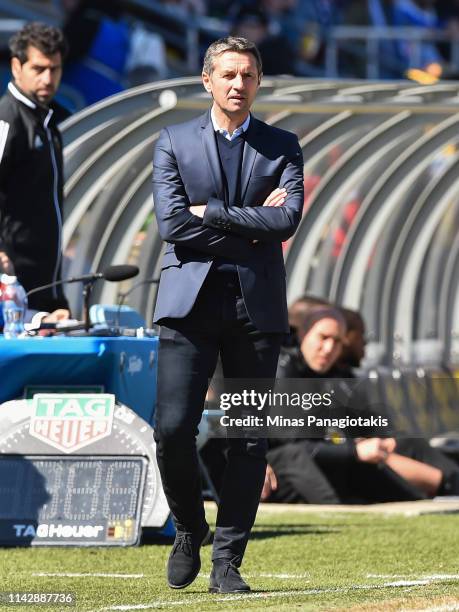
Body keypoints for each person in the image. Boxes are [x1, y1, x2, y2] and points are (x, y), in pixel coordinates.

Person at [152, 36, 304, 593]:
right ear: (207, 80)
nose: (238, 84)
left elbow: (285, 222)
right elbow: (172, 226)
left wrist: (211, 214)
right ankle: (191, 529)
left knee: (247, 437)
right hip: (187, 307)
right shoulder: (171, 141)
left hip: (254, 307)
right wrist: (248, 230)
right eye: (229, 74)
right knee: (171, 430)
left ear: (259, 82)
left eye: (248, 75)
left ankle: (227, 564)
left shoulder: (283, 145)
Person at [264, 305, 459, 504]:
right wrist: (354, 449)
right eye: (323, 338)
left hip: (332, 457)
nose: (329, 348)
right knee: (347, 461)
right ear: (303, 334)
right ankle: (337, 515)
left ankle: (446, 488)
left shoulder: (333, 376)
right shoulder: (282, 371)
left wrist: (383, 439)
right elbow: (295, 444)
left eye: (337, 341)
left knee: (406, 448)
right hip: (287, 467)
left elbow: (363, 421)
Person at [0, 22, 70, 317]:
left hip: (43, 287)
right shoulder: (7, 119)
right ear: (17, 67)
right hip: (11, 287)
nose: (48, 78)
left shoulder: (49, 123)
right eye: (38, 68)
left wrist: (57, 296)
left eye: (54, 69)